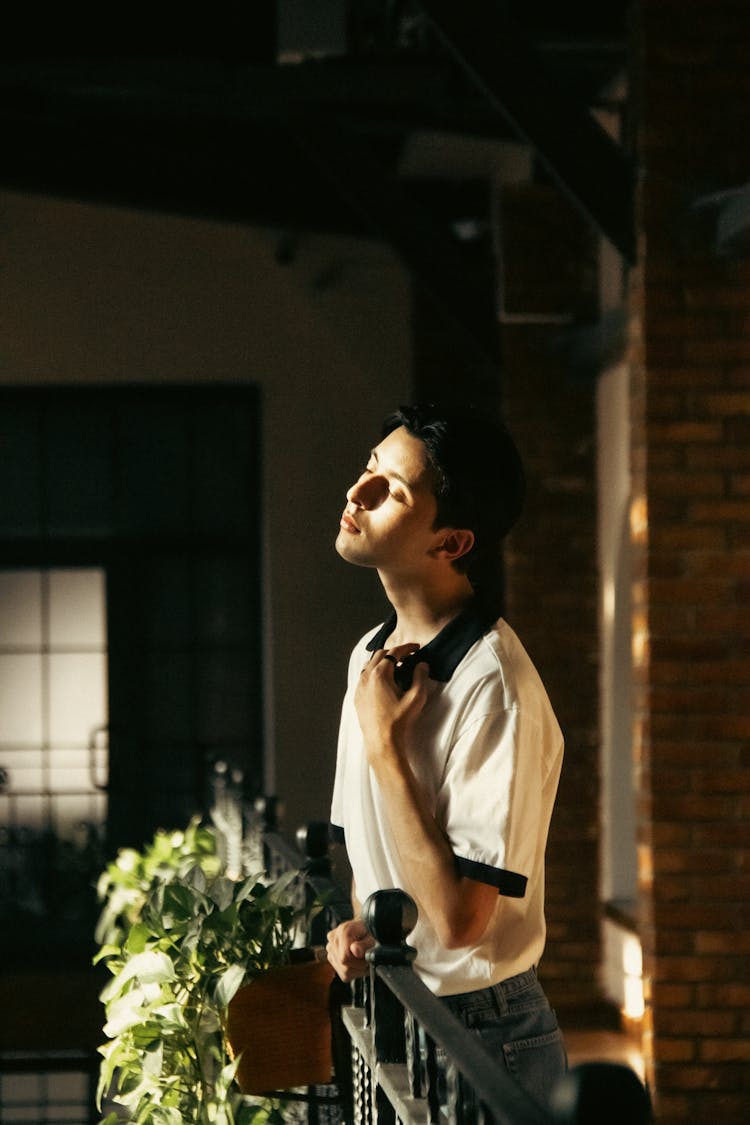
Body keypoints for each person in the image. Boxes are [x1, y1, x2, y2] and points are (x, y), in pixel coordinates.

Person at [326, 403, 567, 1108]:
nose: (356, 494)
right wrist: (367, 924)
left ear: (452, 541)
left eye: (392, 491)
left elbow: (462, 922)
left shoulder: (495, 685)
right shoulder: (370, 656)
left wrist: (385, 745)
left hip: (485, 1033)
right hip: (401, 1006)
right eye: (370, 469)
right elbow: (380, 859)